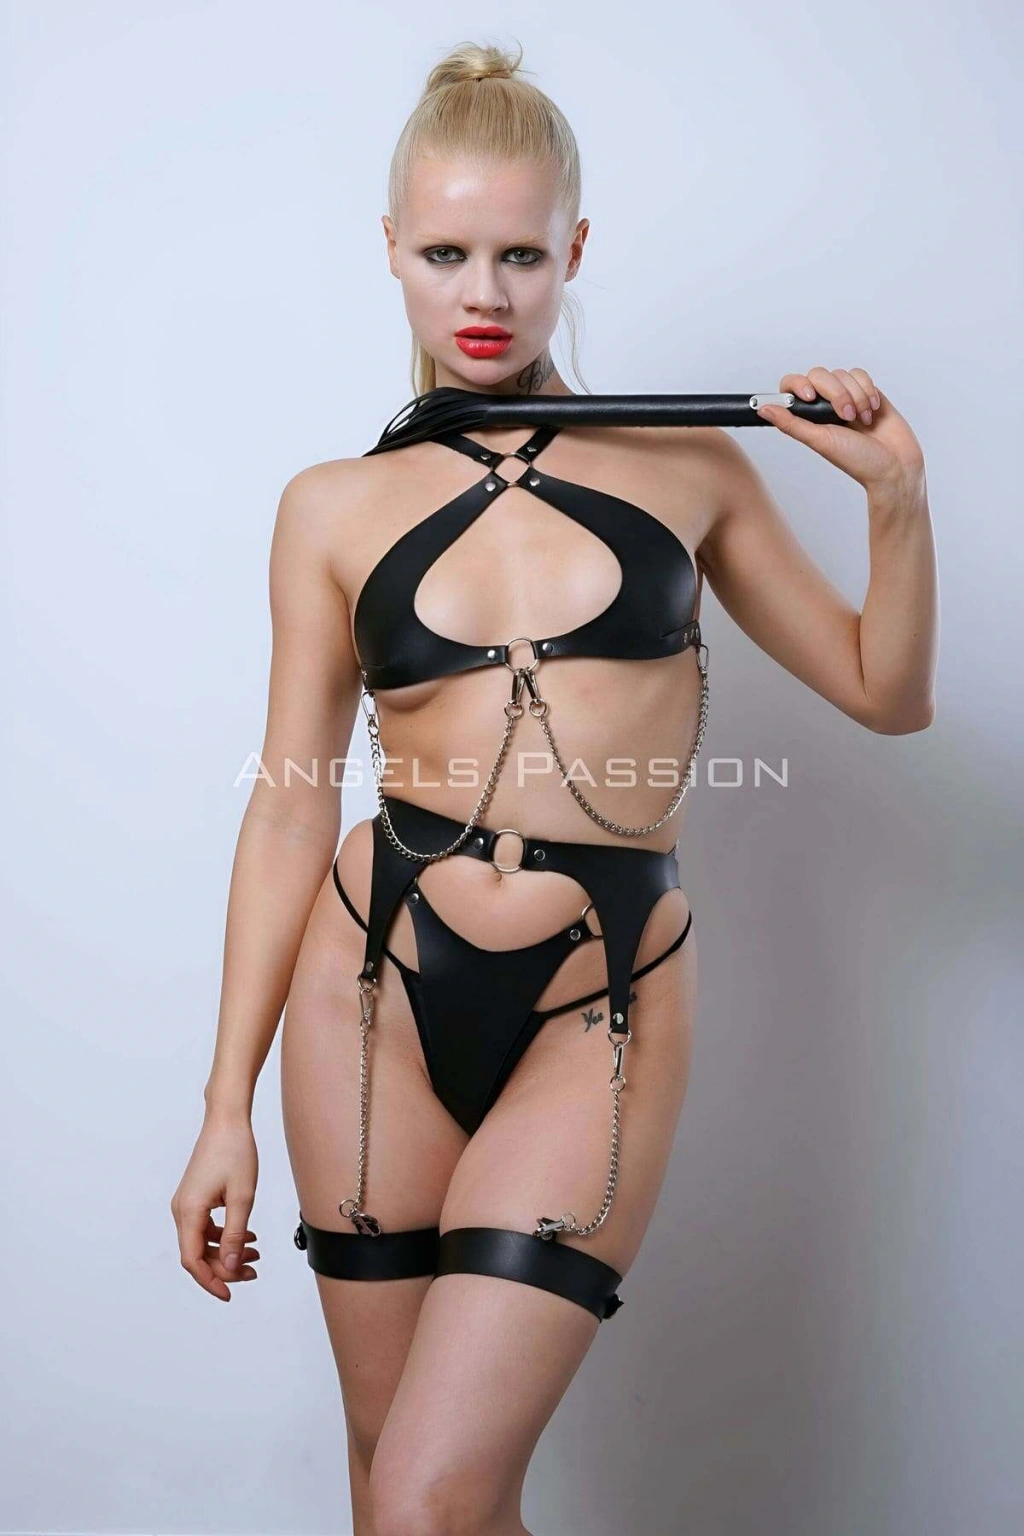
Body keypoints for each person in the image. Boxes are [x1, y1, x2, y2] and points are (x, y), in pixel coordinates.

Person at [170, 37, 938, 1536]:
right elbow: (289, 804)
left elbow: (885, 694)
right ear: (390, 247)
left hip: (607, 990)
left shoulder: (692, 468)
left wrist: (898, 500)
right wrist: (222, 1110)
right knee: (391, 1489)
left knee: (437, 1495)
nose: (486, 293)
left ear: (574, 250)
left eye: (521, 255)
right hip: (369, 985)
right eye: (447, 252)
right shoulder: (330, 507)